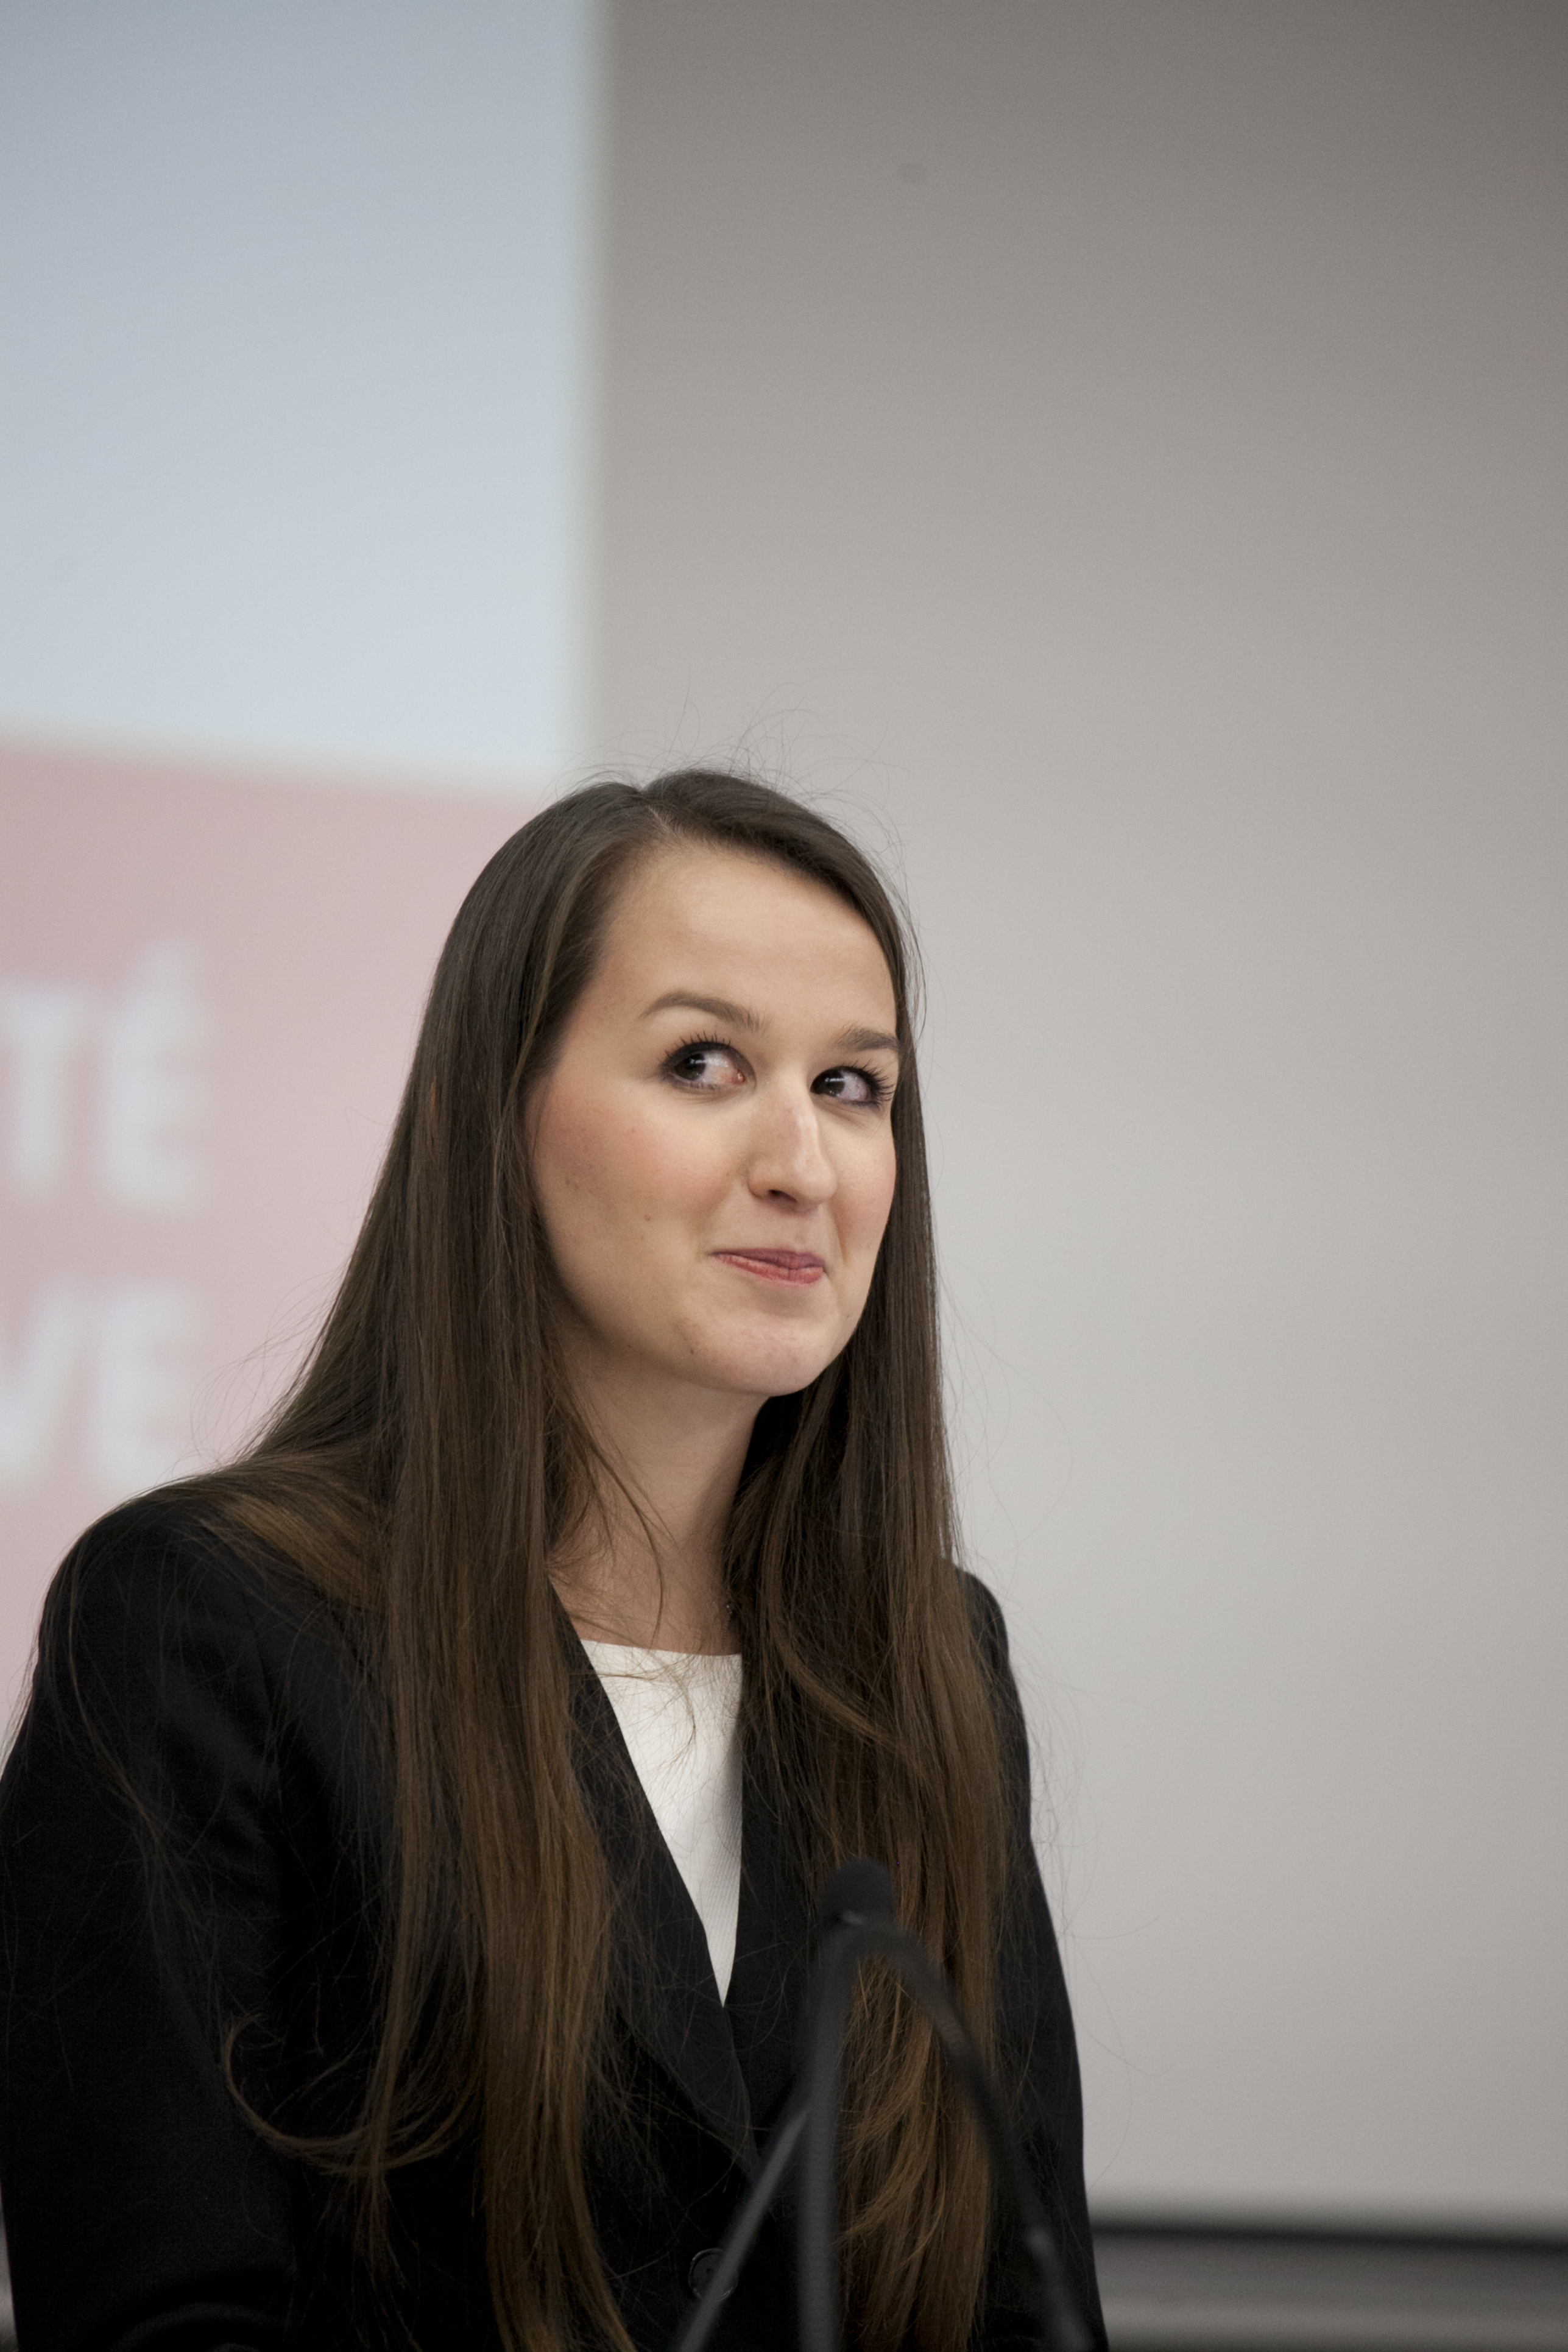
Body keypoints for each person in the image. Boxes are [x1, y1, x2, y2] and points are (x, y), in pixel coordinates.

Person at [0, 772, 1106, 2352]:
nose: (804, 1163)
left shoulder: (932, 1658)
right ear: (496, 1112)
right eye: (704, 1063)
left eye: (855, 1086)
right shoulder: (204, 1626)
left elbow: (1021, 2303)